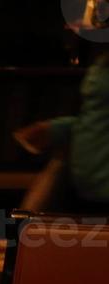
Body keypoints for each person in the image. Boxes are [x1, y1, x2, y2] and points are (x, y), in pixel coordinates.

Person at [16, 50, 109, 209]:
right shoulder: (101, 68)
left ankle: (24, 227)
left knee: (59, 162)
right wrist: (59, 129)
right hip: (87, 188)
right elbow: (97, 118)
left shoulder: (100, 70)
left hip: (88, 192)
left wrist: (59, 129)